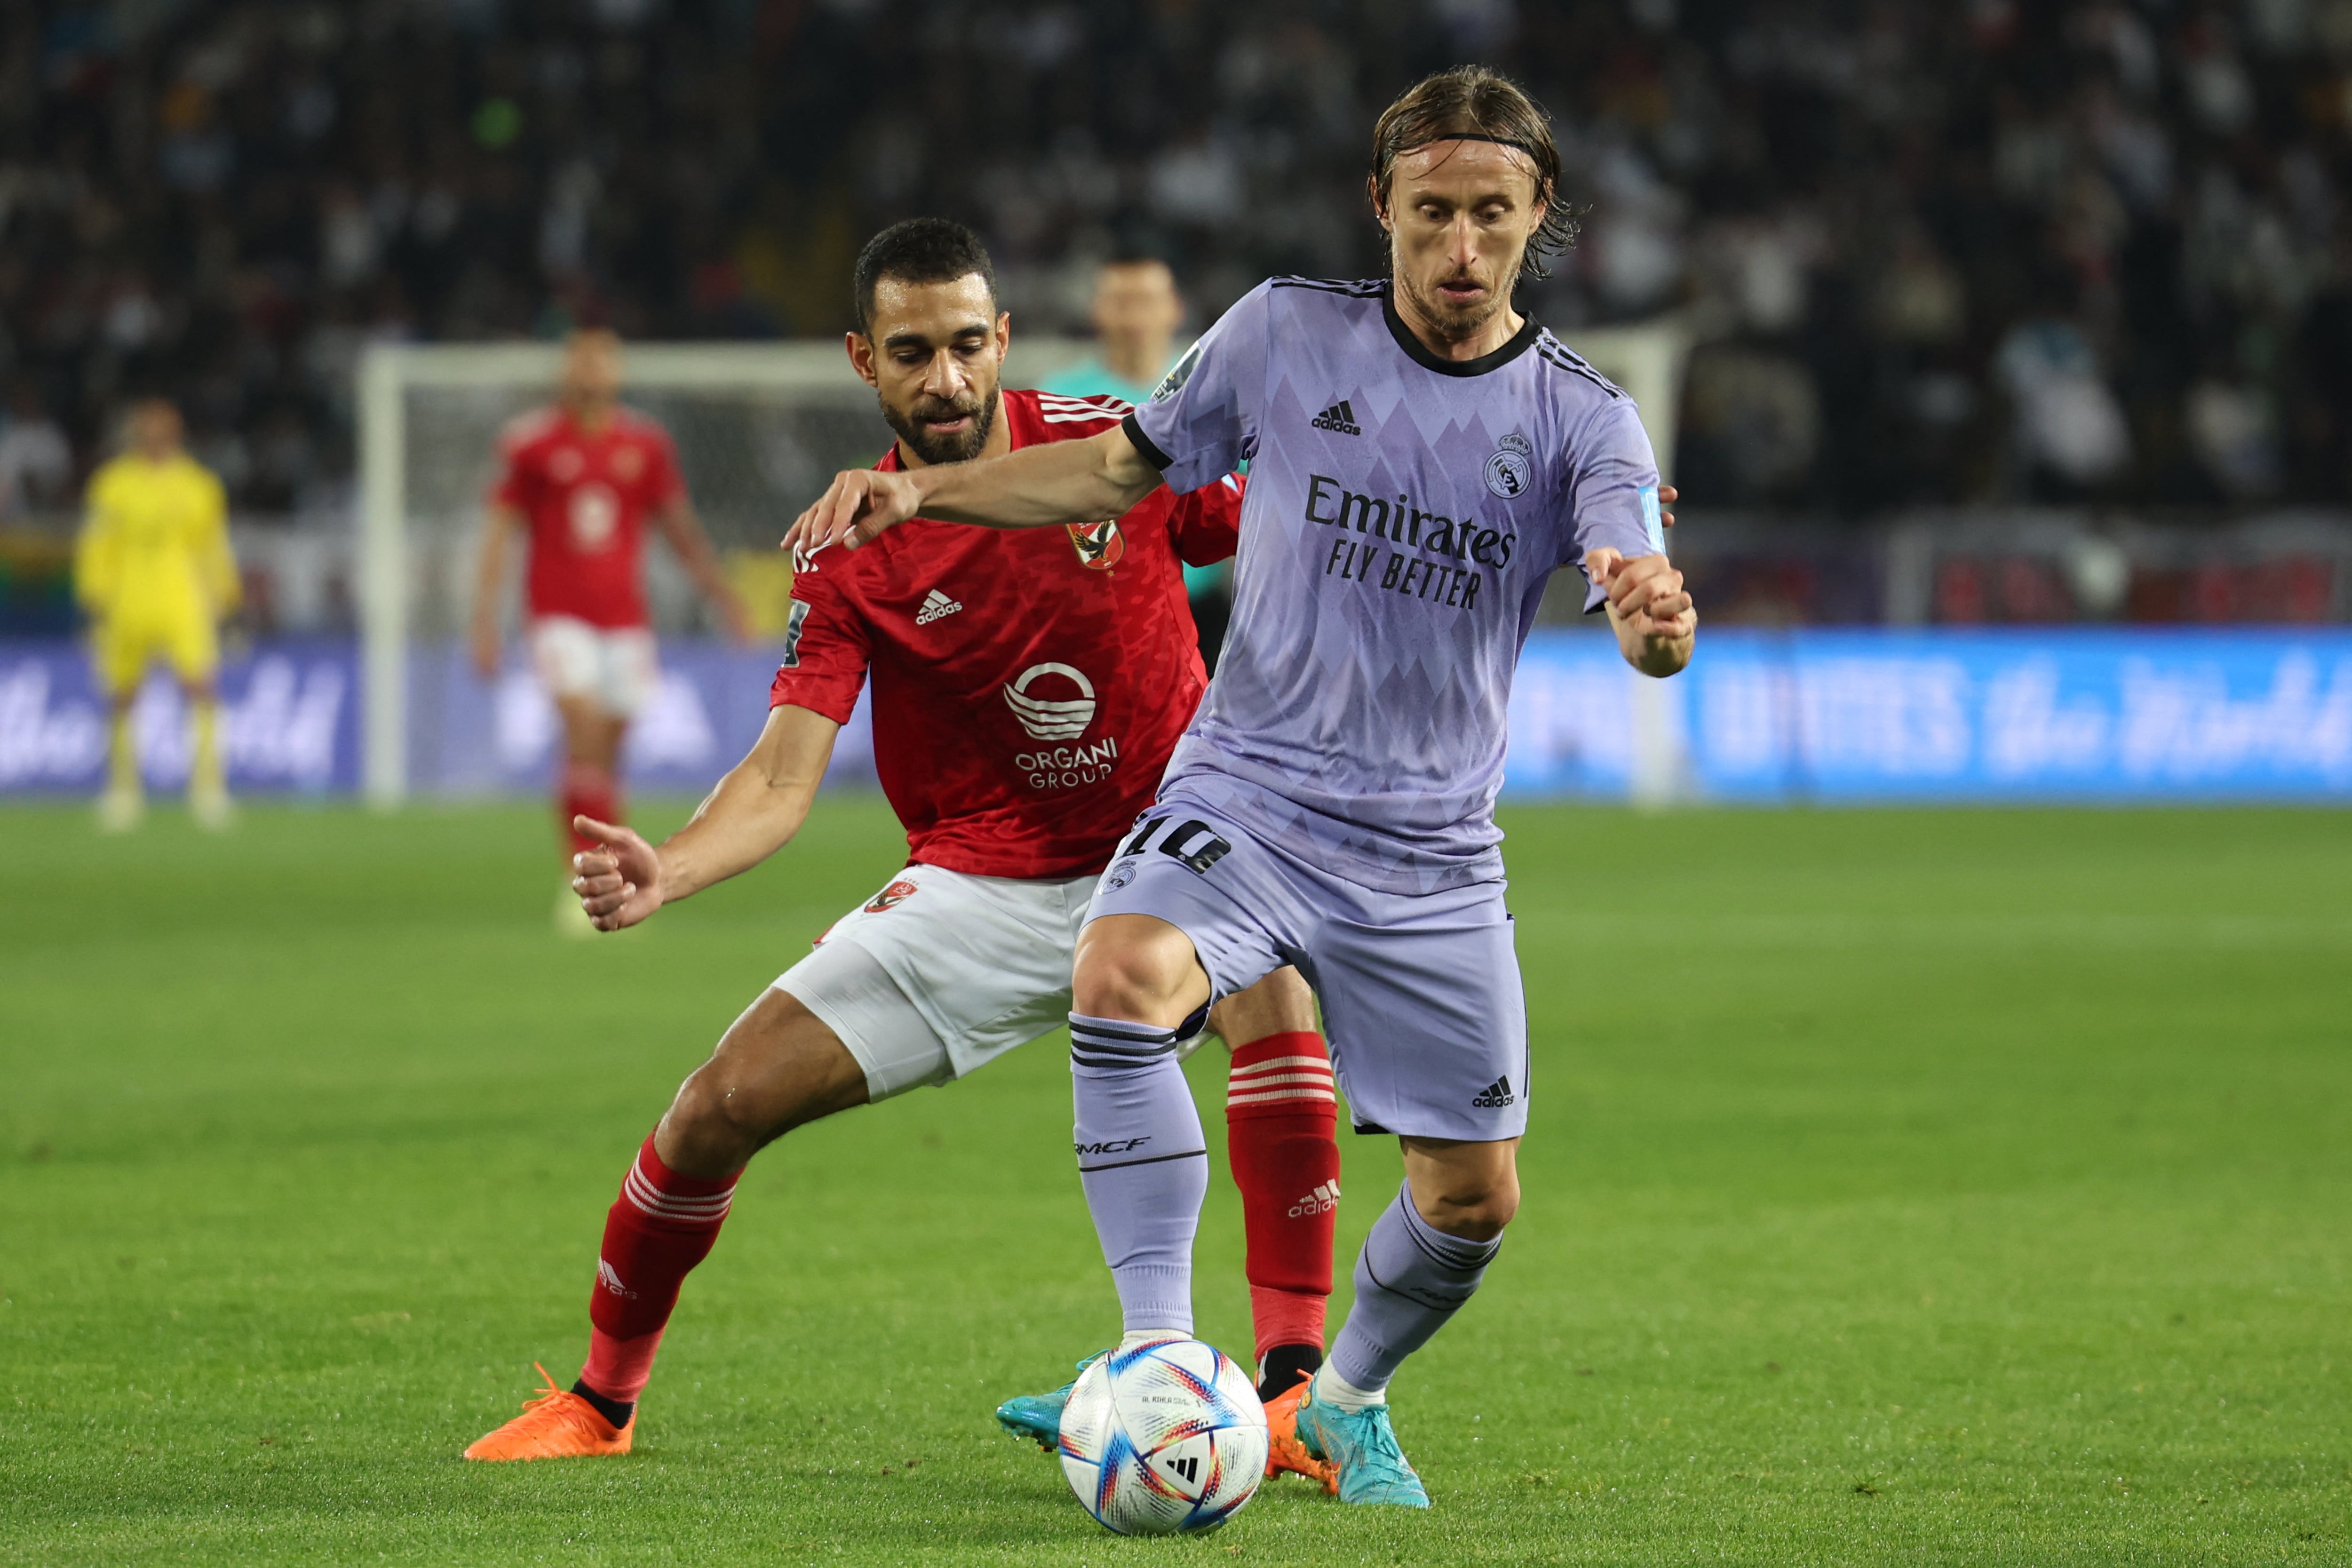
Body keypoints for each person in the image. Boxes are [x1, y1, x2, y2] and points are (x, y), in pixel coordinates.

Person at [786, 68, 1698, 1507]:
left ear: (1539, 221)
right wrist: (923, 491)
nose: (1460, 248)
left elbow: (1635, 596)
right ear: (1381, 208)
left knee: (1472, 1200)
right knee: (1120, 970)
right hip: (1251, 794)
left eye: (1493, 217)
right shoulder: (1281, 333)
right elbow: (1108, 473)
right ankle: (1162, 1362)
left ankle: (1339, 1402)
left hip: (1429, 848)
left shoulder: (1585, 420)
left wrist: (1656, 625)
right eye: (1432, 213)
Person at [462, 221, 1343, 1481]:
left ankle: (1290, 1389)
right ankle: (603, 1396)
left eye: (969, 346)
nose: (947, 379)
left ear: (1001, 341)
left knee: (1271, 977)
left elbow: (1287, 526)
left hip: (1164, 852)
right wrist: (673, 865)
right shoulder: (842, 545)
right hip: (980, 883)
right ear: (864, 361)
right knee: (717, 1106)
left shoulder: (1113, 444)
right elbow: (779, 776)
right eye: (915, 353)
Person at [471, 327, 753, 931]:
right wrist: (483, 621)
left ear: (616, 372)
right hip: (557, 617)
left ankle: (605, 871)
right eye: (581, 361)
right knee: (583, 732)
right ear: (565, 371)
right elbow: (500, 533)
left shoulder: (644, 445)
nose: (591, 372)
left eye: (602, 361)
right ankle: (583, 875)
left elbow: (678, 529)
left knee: (607, 753)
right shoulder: (533, 445)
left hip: (625, 621)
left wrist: (724, 598)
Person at [1040, 255, 1235, 670]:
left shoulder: (1214, 395)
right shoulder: (1059, 401)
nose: (1134, 317)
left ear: (1175, 308)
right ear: (1097, 310)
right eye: (1121, 301)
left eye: (1146, 300)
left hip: (1201, 609)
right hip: (1098, 609)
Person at [75, 398, 239, 831]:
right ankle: (123, 791)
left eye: (161, 430)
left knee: (201, 688)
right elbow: (97, 544)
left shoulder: (200, 486)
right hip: (127, 600)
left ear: (176, 434)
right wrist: (94, 597)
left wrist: (226, 598)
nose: (153, 438)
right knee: (123, 694)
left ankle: (208, 789)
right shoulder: (112, 484)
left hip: (183, 600)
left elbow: (213, 547)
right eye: (146, 430)